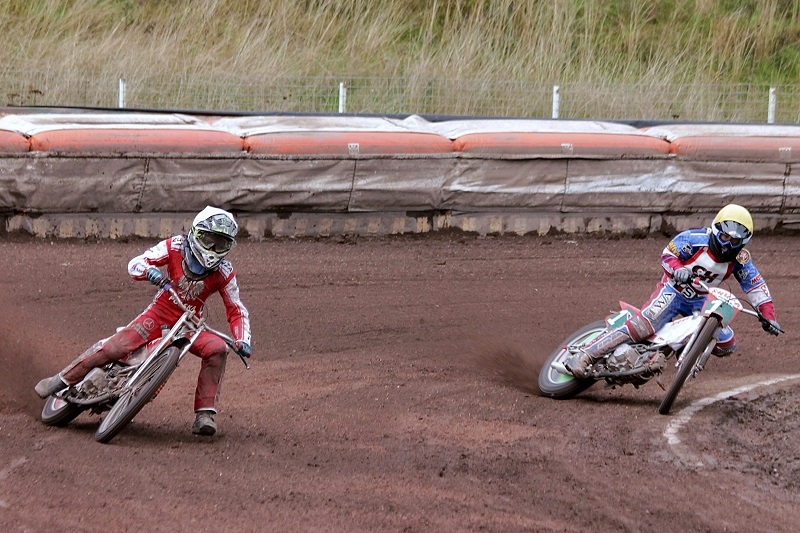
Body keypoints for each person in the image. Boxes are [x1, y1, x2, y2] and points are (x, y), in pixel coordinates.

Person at [35, 206, 252, 436]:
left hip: (189, 325)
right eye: (209, 240)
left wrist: (242, 339)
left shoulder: (224, 271)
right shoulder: (175, 246)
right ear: (196, 233)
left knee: (218, 348)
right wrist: (149, 272)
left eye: (221, 244)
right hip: (158, 314)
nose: (213, 249)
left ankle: (204, 414)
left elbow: (236, 309)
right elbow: (136, 262)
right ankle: (61, 379)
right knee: (116, 347)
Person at [566, 203, 781, 379]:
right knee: (645, 325)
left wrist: (768, 317)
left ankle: (679, 350)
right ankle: (586, 355)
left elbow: (756, 286)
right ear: (716, 231)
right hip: (673, 290)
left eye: (735, 241)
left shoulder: (741, 261)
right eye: (725, 237)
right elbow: (668, 254)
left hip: (702, 300)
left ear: (743, 242)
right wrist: (678, 270)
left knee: (726, 343)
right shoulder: (694, 239)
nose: (728, 244)